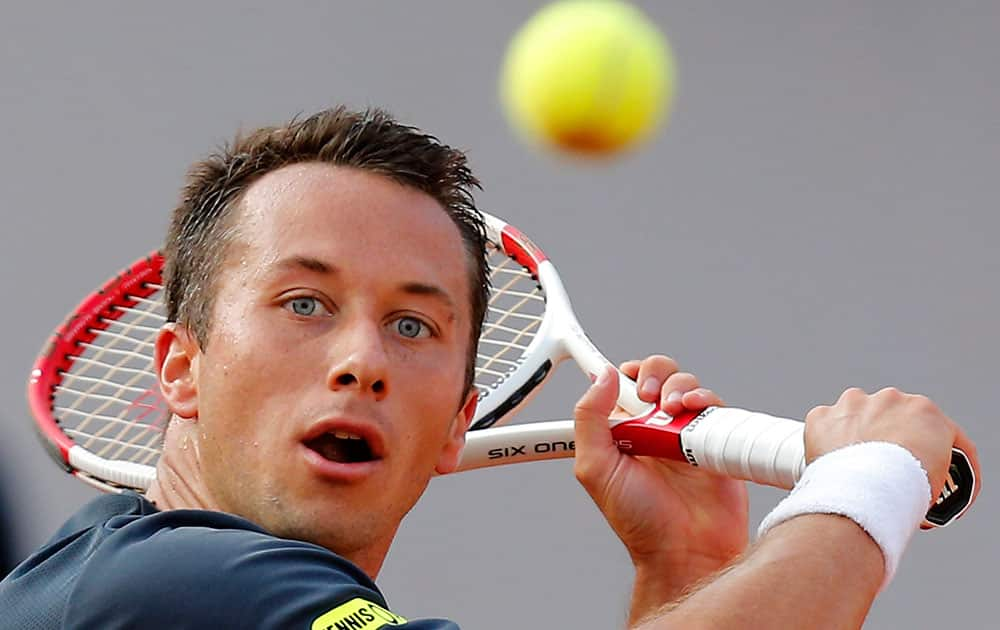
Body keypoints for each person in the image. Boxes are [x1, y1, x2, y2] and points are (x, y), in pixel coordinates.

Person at [0, 107, 980, 629]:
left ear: (458, 422)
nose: (361, 362)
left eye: (414, 326)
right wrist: (872, 481)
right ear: (180, 369)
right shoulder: (177, 590)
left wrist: (681, 571)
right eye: (305, 304)